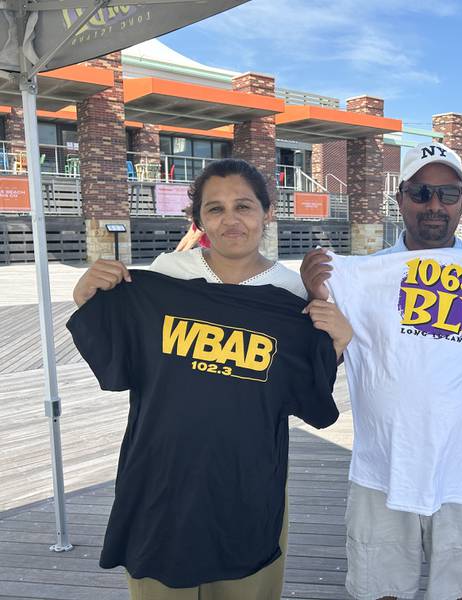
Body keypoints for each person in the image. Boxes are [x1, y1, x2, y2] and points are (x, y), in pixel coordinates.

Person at [71, 158, 353, 600]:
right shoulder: (165, 277)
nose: (230, 220)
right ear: (198, 219)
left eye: (243, 206)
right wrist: (87, 297)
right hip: (159, 485)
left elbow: (307, 400)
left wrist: (334, 344)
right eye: (215, 209)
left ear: (267, 212)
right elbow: (116, 366)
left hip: (247, 487)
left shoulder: (290, 297)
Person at [301, 142, 462, 600]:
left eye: (447, 193)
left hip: (461, 471)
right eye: (421, 193)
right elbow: (326, 356)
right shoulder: (364, 274)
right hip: (382, 469)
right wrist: (318, 293)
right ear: (399, 199)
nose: (434, 205)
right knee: (379, 592)